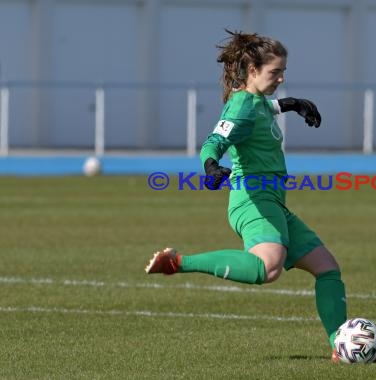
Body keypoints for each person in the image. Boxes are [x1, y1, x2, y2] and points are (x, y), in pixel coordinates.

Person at [144, 30, 351, 363]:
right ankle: (178, 262)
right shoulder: (240, 103)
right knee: (269, 269)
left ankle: (341, 348)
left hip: (273, 201)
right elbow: (214, 141)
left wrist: (293, 104)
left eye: (283, 72)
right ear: (252, 70)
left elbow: (264, 108)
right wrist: (211, 166)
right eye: (275, 72)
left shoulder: (255, 102)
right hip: (251, 198)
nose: (281, 78)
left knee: (327, 268)